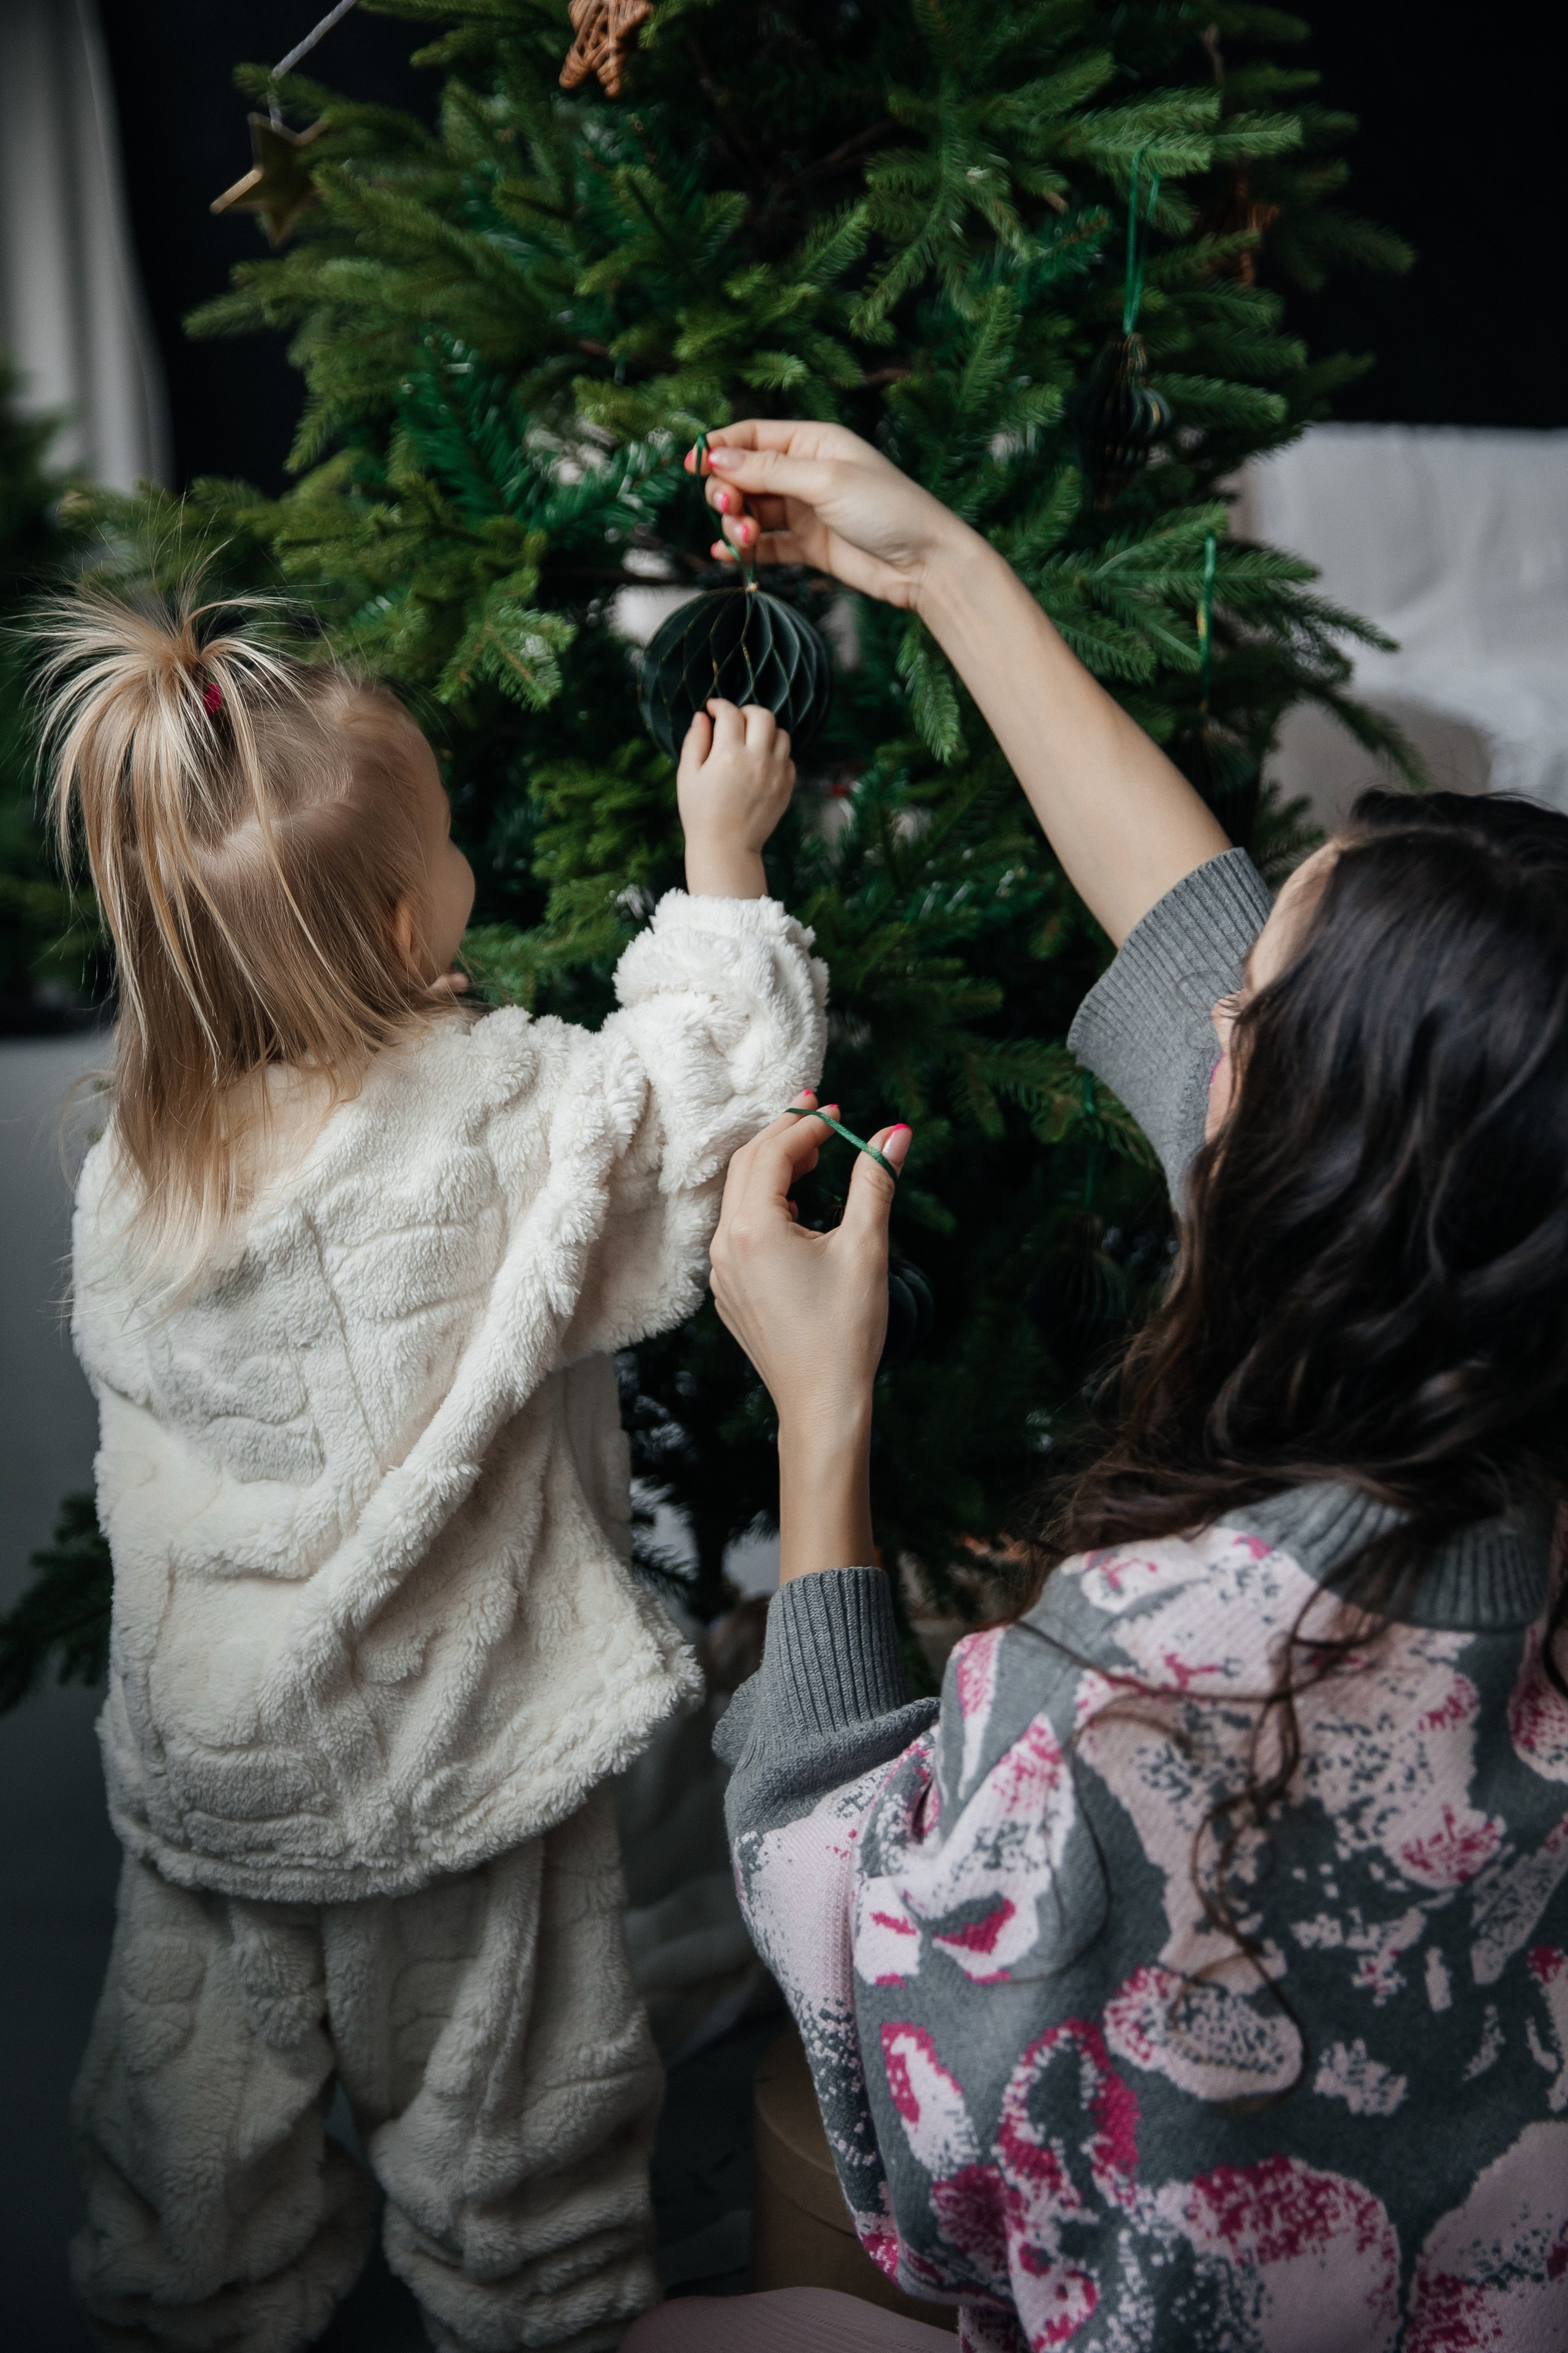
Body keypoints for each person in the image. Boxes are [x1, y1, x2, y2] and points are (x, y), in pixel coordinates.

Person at [631, 423, 1568, 2351]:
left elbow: (870, 2012)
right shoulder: (1497, 1305)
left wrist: (823, 1414)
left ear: (1315, 1167)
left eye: (1249, 1024)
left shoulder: (1139, 1693)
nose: (1208, 1017)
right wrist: (937, 563)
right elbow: (1189, 922)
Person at [37, 587, 825, 2353]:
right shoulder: (496, 1119)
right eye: (455, 840)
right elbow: (695, 1114)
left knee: (197, 2148)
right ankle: (540, 2310)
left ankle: (196, 2305)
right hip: (462, 1770)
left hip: (218, 1784)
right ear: (407, 920)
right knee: (515, 2143)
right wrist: (722, 863)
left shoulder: (135, 1167)